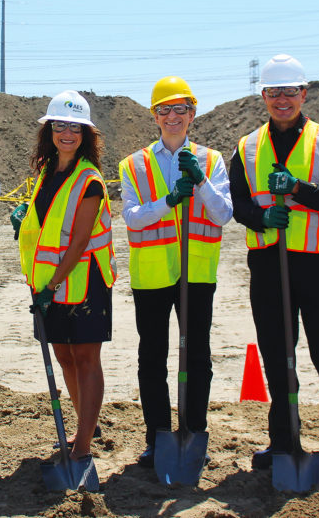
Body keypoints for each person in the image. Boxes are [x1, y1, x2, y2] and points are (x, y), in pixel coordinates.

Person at [228, 54, 319, 474]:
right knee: (277, 356)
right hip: (269, 265)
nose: (282, 100)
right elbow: (239, 202)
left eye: (290, 92)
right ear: (263, 96)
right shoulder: (246, 147)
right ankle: (283, 439)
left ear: (304, 93)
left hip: (318, 264)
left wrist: (299, 190)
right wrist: (262, 216)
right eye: (273, 93)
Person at [117, 76, 232, 467]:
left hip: (196, 274)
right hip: (151, 274)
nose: (172, 117)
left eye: (180, 109)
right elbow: (132, 218)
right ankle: (158, 437)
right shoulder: (133, 164)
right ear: (154, 115)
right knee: (152, 358)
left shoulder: (212, 160)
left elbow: (224, 214)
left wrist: (200, 182)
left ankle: (194, 430)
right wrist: (168, 201)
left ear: (192, 114)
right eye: (164, 110)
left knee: (197, 356)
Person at [10, 91, 117, 461]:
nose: (66, 133)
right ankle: (83, 424)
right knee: (64, 357)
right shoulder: (47, 170)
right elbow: (49, 224)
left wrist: (51, 286)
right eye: (60, 125)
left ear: (86, 133)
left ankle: (84, 444)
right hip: (49, 283)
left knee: (86, 358)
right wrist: (26, 220)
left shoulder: (89, 179)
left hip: (85, 281)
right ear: (50, 129)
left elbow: (80, 240)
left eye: (75, 126)